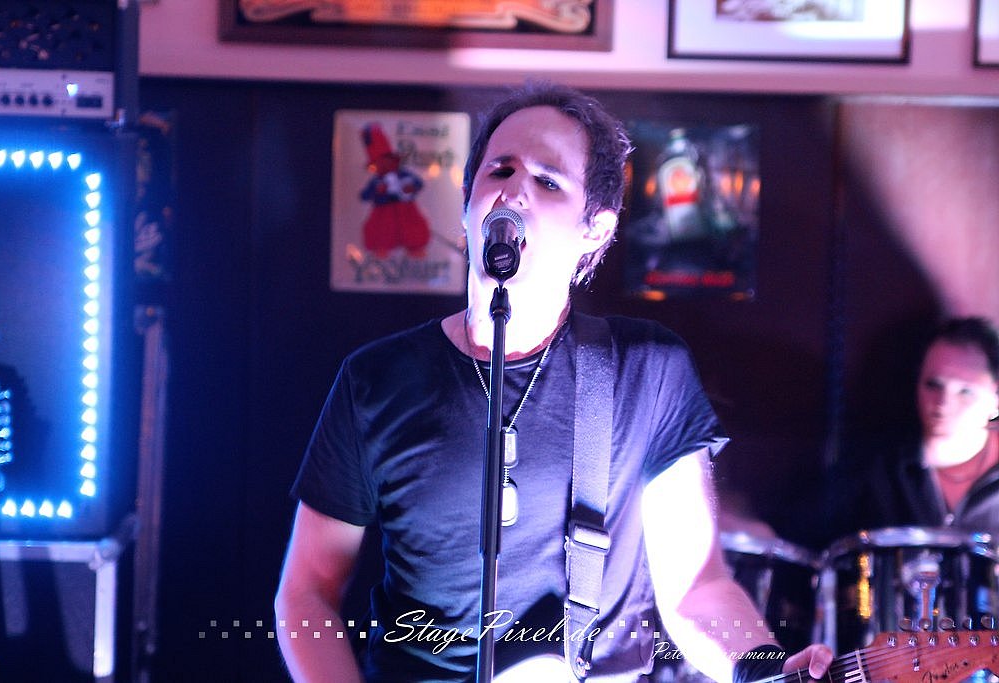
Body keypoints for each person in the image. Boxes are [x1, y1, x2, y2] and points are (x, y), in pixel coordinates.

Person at [274, 82, 832, 682]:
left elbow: (696, 589)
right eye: (500, 170)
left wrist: (765, 668)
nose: (513, 190)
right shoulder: (377, 379)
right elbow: (307, 593)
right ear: (466, 204)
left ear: (596, 228)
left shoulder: (647, 372)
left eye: (547, 181)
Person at [838, 316, 999, 531]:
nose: (943, 402)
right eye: (933, 384)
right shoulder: (877, 470)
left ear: (996, 397)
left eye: (965, 391)